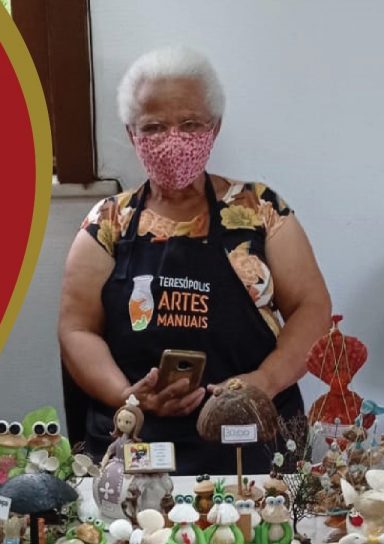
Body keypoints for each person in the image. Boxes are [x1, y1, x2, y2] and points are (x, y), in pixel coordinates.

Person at [58, 46, 331, 475]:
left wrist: (262, 383)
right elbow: (76, 329)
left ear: (214, 127)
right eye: (153, 127)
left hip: (247, 440)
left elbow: (311, 308)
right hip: (137, 440)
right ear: (131, 134)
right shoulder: (108, 221)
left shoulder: (260, 210)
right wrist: (127, 395)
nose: (173, 139)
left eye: (190, 124)